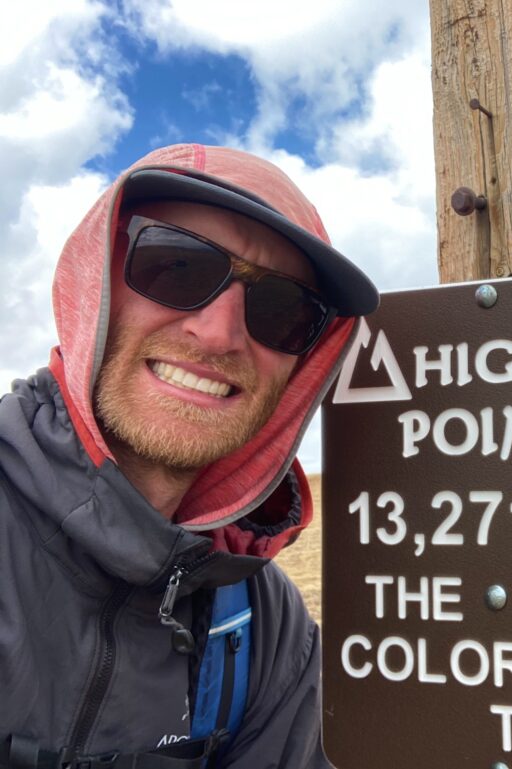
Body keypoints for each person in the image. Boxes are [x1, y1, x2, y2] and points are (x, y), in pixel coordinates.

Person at [0, 144, 378, 768]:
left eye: (284, 311)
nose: (220, 333)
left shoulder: (264, 626)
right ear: (96, 279)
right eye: (174, 266)